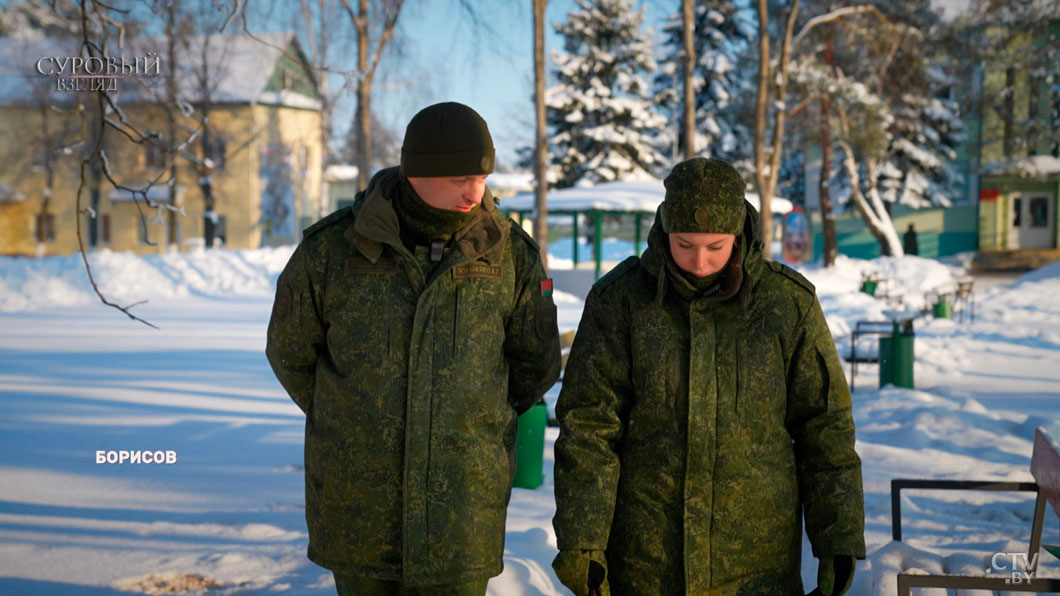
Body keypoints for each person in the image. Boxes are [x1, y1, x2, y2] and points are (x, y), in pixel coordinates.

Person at [266, 102, 561, 596]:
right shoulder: (333, 250)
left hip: (462, 509)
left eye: (482, 177)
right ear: (417, 172)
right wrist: (352, 413)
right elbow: (291, 352)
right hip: (361, 505)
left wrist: (474, 419)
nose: (475, 192)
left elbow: (535, 364)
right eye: (459, 178)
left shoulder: (511, 254)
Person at [552, 157, 865, 596]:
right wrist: (582, 541)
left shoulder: (786, 305)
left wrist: (839, 537)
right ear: (664, 232)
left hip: (758, 567)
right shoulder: (620, 302)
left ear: (739, 233)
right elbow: (588, 429)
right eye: (684, 245)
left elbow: (824, 427)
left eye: (715, 247)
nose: (699, 262)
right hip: (645, 563)